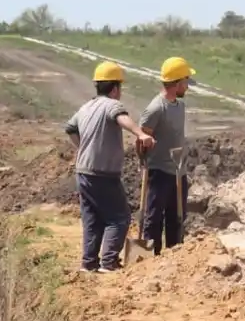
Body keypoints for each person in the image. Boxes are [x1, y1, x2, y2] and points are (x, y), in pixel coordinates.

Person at [64, 61, 155, 273]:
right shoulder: (112, 105)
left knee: (92, 219)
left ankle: (89, 263)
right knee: (119, 216)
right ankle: (109, 262)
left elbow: (70, 128)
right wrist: (141, 134)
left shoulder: (86, 107)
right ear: (115, 88)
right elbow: (121, 118)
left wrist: (82, 146)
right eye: (120, 88)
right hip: (102, 173)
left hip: (83, 171)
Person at [136, 57, 194, 254]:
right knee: (153, 218)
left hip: (178, 171)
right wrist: (144, 162)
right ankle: (150, 258)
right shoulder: (155, 109)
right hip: (159, 171)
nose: (187, 86)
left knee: (177, 217)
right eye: (186, 82)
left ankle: (173, 257)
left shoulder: (180, 106)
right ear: (177, 83)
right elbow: (142, 138)